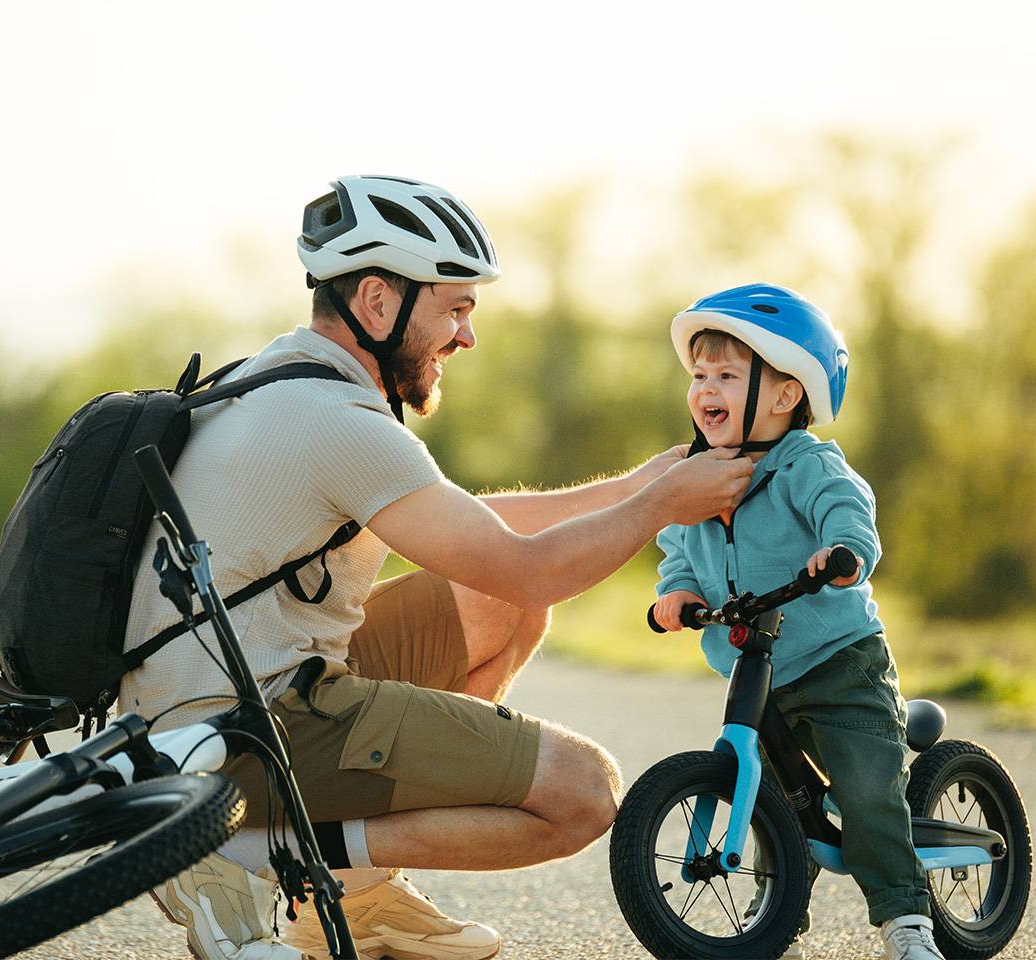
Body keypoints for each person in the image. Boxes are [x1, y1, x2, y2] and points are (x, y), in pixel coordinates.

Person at [123, 175, 756, 960]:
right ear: (380, 303)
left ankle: (355, 902)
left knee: (501, 607)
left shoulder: (282, 375)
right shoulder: (342, 421)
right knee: (583, 795)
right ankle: (254, 851)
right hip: (244, 733)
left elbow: (480, 540)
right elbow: (529, 567)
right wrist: (661, 506)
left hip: (197, 705)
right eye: (454, 309)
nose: (466, 336)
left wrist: (637, 486)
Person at [651, 283, 945, 960]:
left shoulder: (806, 464)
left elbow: (848, 511)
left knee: (867, 789)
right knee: (769, 799)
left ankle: (906, 918)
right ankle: (775, 908)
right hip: (755, 666)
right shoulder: (694, 477)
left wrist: (843, 555)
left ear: (785, 396)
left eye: (727, 375)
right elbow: (678, 554)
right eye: (699, 376)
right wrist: (676, 596)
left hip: (839, 661)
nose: (705, 390)